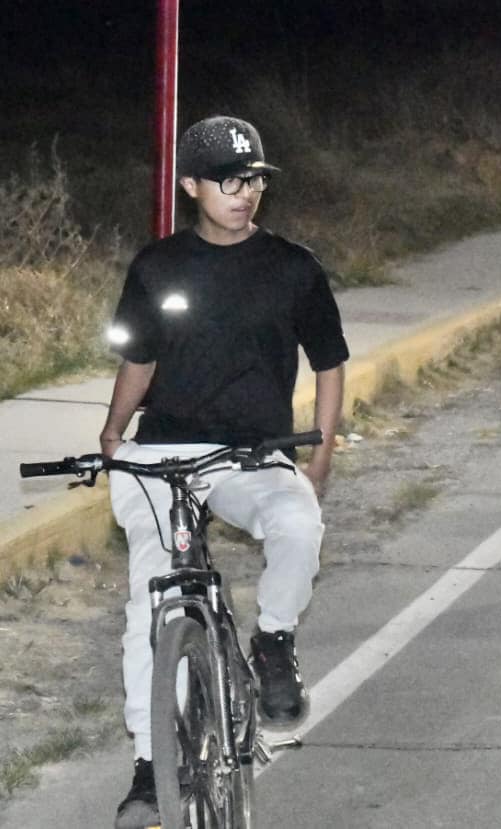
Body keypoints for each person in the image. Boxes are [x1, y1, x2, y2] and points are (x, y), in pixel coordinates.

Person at [102, 115, 349, 829]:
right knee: (149, 603)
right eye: (228, 181)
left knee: (298, 521)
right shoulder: (156, 266)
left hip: (252, 451)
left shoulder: (292, 266)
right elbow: (139, 358)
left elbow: (330, 362)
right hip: (162, 450)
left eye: (254, 181)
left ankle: (273, 640)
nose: (244, 194)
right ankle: (151, 767)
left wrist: (321, 452)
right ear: (191, 186)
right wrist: (114, 430)